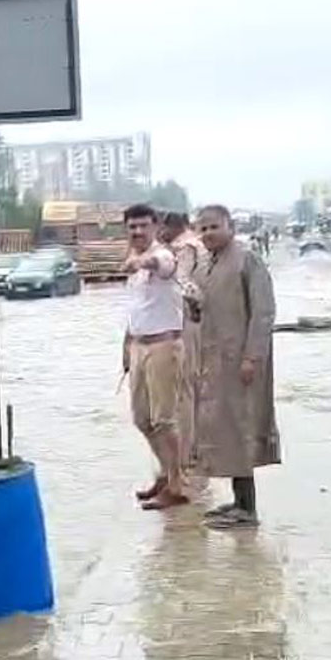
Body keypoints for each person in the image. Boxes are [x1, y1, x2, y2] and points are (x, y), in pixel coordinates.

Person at [193, 204, 280, 530]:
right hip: (214, 363)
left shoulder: (247, 260)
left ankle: (248, 509)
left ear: (229, 226)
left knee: (242, 429)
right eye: (202, 229)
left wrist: (252, 358)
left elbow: (264, 313)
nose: (207, 234)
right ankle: (238, 501)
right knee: (224, 432)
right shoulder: (205, 266)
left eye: (214, 227)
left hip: (242, 364)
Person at [122, 203, 188, 511]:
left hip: (164, 345)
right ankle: (165, 474)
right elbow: (134, 310)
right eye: (132, 227)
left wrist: (143, 262)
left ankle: (176, 484)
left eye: (142, 226)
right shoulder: (132, 261)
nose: (137, 232)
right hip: (138, 346)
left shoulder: (163, 255)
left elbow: (162, 264)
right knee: (141, 418)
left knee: (164, 419)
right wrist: (126, 347)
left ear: (155, 227)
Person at [159, 211, 205, 486]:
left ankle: (186, 454)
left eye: (162, 227)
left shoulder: (184, 248)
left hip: (187, 319)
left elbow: (184, 285)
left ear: (173, 226)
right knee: (194, 385)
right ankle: (195, 448)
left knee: (185, 388)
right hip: (198, 319)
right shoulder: (197, 244)